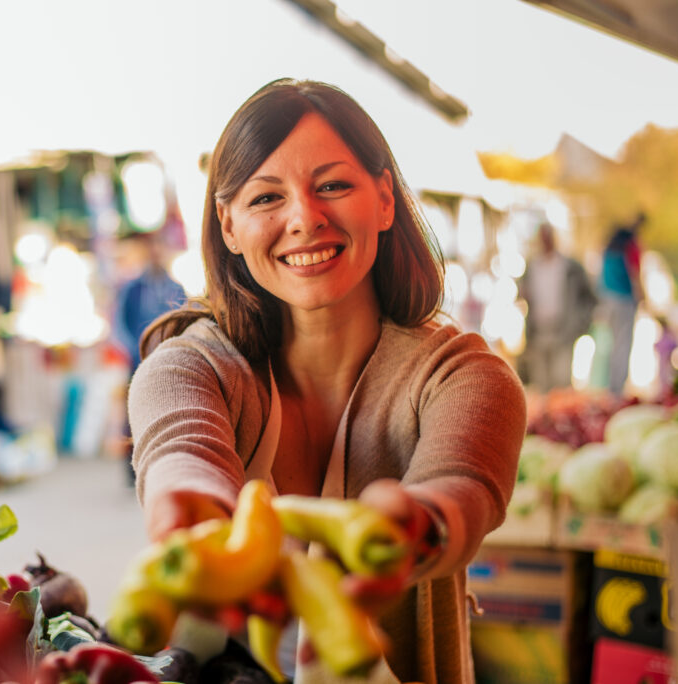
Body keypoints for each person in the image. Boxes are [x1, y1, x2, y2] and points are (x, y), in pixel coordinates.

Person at [127, 79, 526, 683]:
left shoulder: (464, 375)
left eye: (333, 186)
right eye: (267, 197)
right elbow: (182, 451)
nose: (304, 219)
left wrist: (416, 525)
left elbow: (462, 490)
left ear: (385, 199)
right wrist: (189, 506)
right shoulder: (188, 366)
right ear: (228, 225)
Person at [113, 230, 186, 484]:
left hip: (166, 359)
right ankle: (132, 466)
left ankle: (162, 463)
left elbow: (184, 321)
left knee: (164, 409)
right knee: (133, 412)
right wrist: (133, 349)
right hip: (137, 359)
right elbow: (119, 324)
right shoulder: (132, 289)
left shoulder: (175, 288)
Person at [518, 222, 597, 393]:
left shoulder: (570, 267)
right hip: (538, 331)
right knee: (541, 383)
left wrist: (581, 323)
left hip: (563, 331)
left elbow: (589, 298)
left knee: (561, 382)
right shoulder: (532, 267)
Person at [599, 213, 646, 396]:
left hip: (607, 300)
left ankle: (609, 386)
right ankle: (616, 389)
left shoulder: (609, 248)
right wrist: (643, 299)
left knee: (611, 344)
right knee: (623, 344)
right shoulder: (630, 247)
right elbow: (635, 275)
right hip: (624, 301)